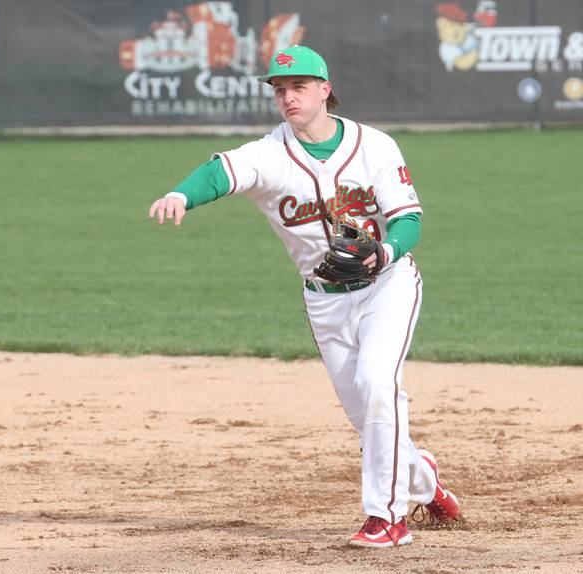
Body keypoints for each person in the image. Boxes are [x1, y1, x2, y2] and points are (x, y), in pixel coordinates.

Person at [147, 45, 460, 548]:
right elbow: (220, 171)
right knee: (371, 421)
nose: (287, 96)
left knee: (379, 384)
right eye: (279, 89)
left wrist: (383, 252)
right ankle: (424, 478)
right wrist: (182, 194)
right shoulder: (269, 155)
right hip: (325, 300)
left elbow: (409, 219)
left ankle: (387, 519)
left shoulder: (375, 145)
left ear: (324, 88)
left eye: (298, 86)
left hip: (388, 285)